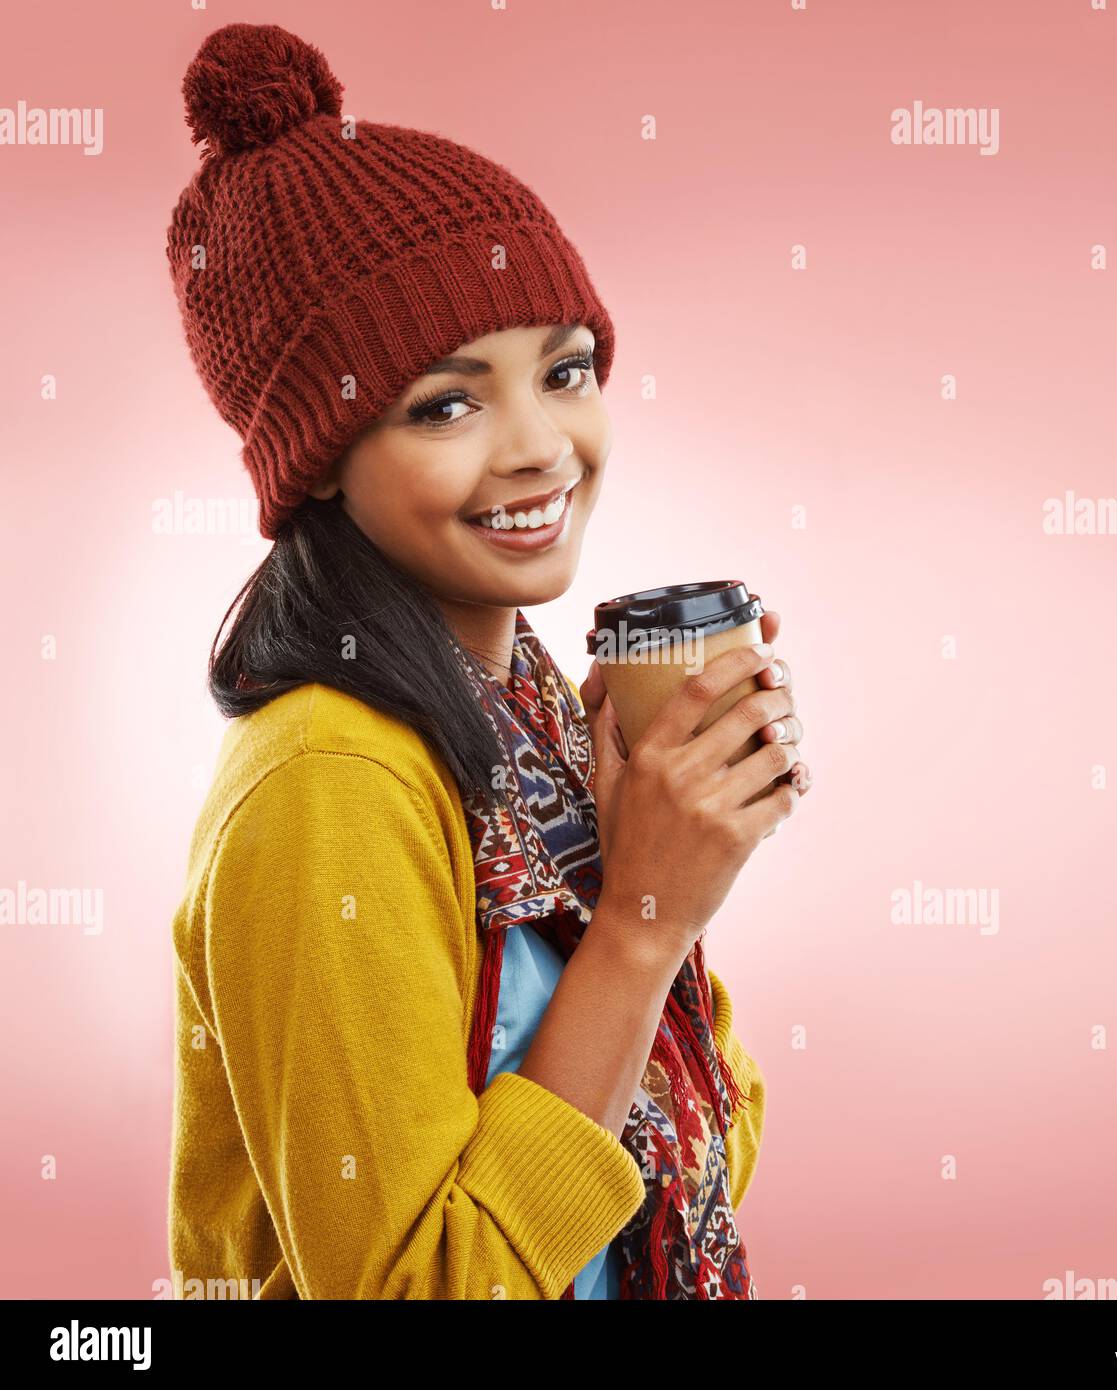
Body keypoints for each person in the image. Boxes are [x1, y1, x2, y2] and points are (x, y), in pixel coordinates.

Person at [165, 23, 810, 1301]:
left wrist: (666, 854)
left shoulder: (523, 722)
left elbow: (693, 1163)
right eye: (446, 403)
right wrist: (639, 923)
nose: (539, 449)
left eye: (564, 371)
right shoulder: (329, 780)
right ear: (322, 461)